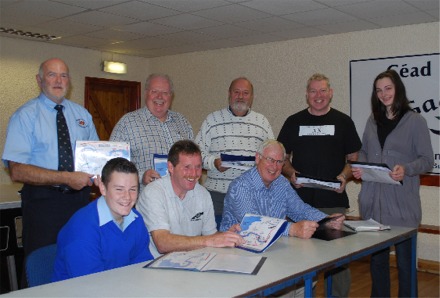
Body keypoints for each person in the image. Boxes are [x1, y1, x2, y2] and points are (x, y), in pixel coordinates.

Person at [2, 58, 99, 258]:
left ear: (69, 81)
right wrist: (65, 177)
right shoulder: (25, 116)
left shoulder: (82, 115)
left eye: (63, 75)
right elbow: (17, 170)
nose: (58, 80)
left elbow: (96, 158)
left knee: (79, 259)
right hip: (43, 204)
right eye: (51, 74)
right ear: (39, 80)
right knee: (42, 264)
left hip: (80, 203)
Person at [277, 73, 361, 297]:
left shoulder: (344, 122)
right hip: (298, 204)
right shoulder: (293, 122)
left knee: (338, 260)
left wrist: (344, 177)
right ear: (307, 95)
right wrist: (291, 173)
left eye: (323, 90)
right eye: (313, 91)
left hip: (333, 203)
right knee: (299, 257)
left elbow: (354, 158)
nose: (318, 96)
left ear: (331, 93)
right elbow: (281, 157)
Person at [351, 69, 433, 298]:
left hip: (402, 208)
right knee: (377, 264)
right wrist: (360, 166)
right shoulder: (372, 120)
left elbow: (427, 160)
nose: (384, 94)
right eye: (379, 90)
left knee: (406, 265)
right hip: (373, 207)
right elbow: (365, 151)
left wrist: (406, 169)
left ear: (398, 89)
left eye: (388, 88)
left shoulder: (415, 121)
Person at [136, 140, 244, 258]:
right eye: (187, 167)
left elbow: (211, 235)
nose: (194, 173)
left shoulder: (203, 194)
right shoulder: (153, 192)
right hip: (155, 266)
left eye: (198, 167)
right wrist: (209, 240)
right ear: (171, 167)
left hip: (191, 263)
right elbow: (162, 243)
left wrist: (227, 236)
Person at [52, 158, 154, 281]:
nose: (127, 197)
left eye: (133, 189)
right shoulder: (82, 229)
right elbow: (90, 285)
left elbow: (142, 268)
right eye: (119, 189)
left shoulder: (136, 220)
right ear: (103, 188)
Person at [219, 139, 344, 238]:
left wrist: (326, 220)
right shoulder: (241, 186)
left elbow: (300, 210)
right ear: (258, 158)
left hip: (274, 245)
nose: (274, 166)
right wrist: (291, 229)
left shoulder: (282, 183)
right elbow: (253, 224)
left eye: (279, 162)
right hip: (238, 248)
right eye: (270, 159)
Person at [195, 77, 274, 226]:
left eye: (245, 93)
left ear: (252, 97)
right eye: (236, 92)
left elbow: (272, 156)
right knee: (215, 239)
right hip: (217, 196)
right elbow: (196, 154)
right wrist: (214, 163)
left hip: (252, 195)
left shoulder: (262, 122)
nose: (241, 96)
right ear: (229, 94)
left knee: (249, 238)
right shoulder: (212, 120)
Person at [110, 73, 193, 192]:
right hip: (145, 202)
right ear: (146, 93)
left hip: (181, 201)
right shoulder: (127, 123)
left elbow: (193, 160)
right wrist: (140, 176)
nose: (159, 97)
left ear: (171, 96)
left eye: (165, 93)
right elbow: (113, 164)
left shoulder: (183, 123)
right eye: (154, 91)